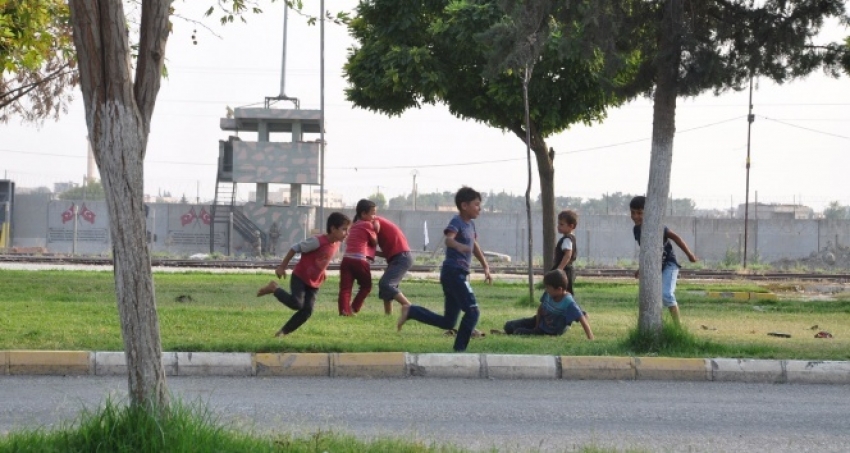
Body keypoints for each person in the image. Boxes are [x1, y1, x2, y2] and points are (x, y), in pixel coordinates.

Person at [398, 186, 492, 352]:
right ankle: (460, 350)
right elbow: (449, 240)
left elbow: (475, 245)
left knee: (449, 322)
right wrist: (459, 246)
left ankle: (411, 310)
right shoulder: (457, 222)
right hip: (453, 273)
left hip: (456, 274)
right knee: (472, 312)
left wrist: (485, 266)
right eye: (476, 204)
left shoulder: (471, 226)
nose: (480, 208)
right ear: (464, 206)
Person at [256, 212, 351, 337]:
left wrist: (323, 272)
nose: (347, 233)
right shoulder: (317, 241)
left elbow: (322, 258)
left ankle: (282, 332)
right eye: (344, 229)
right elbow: (294, 248)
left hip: (314, 282)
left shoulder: (336, 244)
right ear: (333, 229)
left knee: (307, 311)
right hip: (300, 277)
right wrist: (282, 266)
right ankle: (274, 288)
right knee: (297, 303)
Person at [629, 195, 698, 323]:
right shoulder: (636, 230)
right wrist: (641, 268)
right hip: (655, 267)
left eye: (640, 213)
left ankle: (678, 327)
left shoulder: (657, 226)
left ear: (648, 213)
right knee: (651, 296)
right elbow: (645, 251)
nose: (635, 216)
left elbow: (676, 237)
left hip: (669, 265)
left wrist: (690, 255)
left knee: (666, 294)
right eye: (633, 213)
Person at [502, 269, 593, 339]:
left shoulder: (568, 302)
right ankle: (507, 332)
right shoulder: (548, 294)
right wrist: (536, 327)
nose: (546, 290)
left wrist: (590, 338)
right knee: (508, 326)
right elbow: (540, 309)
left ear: (559, 289)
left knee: (518, 332)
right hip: (540, 322)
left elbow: (582, 319)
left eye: (549, 288)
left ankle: (510, 333)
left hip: (550, 331)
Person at [338, 199, 380, 316]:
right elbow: (374, 242)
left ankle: (344, 311)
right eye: (372, 213)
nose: (374, 216)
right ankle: (354, 308)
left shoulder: (354, 225)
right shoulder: (367, 225)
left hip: (346, 259)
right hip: (359, 260)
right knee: (366, 286)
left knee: (345, 288)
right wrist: (376, 228)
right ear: (363, 214)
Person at [374, 215, 414, 322]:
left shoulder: (374, 220)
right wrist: (371, 251)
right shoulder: (379, 223)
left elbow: (375, 228)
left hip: (402, 257)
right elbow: (387, 253)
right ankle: (388, 317)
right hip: (398, 256)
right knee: (385, 288)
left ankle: (411, 309)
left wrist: (371, 240)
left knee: (386, 284)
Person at [552, 209, 578, 295]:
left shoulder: (567, 239)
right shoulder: (570, 238)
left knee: (565, 293)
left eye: (562, 224)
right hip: (566, 270)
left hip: (565, 271)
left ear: (571, 226)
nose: (558, 226)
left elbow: (567, 255)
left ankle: (573, 308)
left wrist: (559, 270)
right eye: (558, 224)